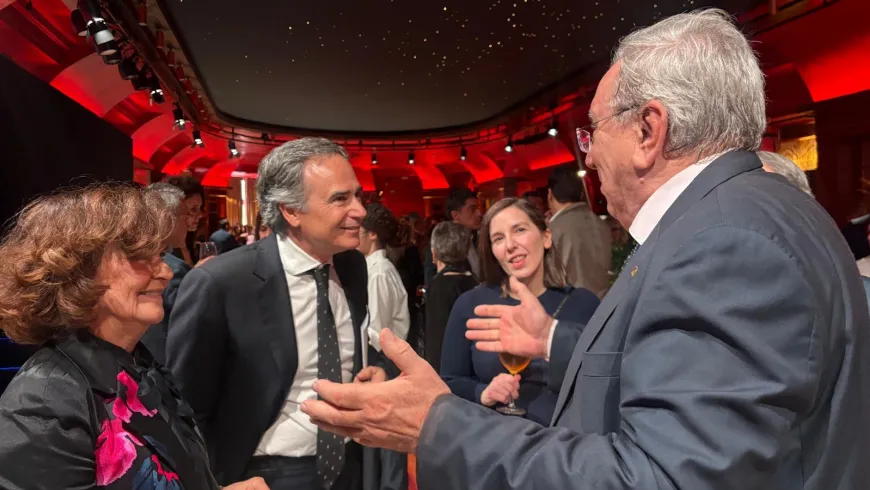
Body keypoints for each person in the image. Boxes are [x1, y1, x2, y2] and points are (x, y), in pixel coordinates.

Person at [300, 9, 870, 490]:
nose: (589, 158)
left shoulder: (725, 242)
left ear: (649, 130)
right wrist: (550, 339)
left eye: (592, 132)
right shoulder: (755, 213)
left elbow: (661, 477)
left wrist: (438, 424)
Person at [0, 184, 267, 490]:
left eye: (159, 254)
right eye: (139, 255)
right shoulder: (44, 403)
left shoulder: (139, 366)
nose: (165, 272)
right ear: (75, 271)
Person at [167, 138, 387, 490]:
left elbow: (348, 346)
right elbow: (185, 406)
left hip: (349, 464)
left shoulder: (352, 266)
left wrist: (372, 371)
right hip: (263, 476)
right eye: (340, 199)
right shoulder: (221, 283)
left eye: (357, 196)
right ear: (291, 211)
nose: (360, 210)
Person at [440, 198, 599, 425]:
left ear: (546, 237)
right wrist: (483, 393)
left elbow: (605, 380)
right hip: (495, 446)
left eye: (520, 230)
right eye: (498, 238)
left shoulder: (583, 304)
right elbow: (449, 381)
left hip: (564, 447)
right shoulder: (471, 306)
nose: (510, 244)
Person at [546, 166, 613, 297]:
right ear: (582, 194)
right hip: (605, 303)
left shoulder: (551, 231)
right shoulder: (600, 224)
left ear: (549, 194)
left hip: (571, 307)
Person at [357, 203, 410, 358]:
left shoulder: (379, 273)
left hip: (383, 359)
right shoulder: (376, 269)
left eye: (358, 231)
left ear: (372, 234)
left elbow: (376, 330)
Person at [423, 221, 476, 372]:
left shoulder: (440, 287)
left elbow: (436, 340)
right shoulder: (475, 282)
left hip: (447, 373)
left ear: (434, 253)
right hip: (472, 368)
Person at [423, 187, 482, 287]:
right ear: (455, 216)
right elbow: (433, 284)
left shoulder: (481, 239)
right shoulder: (440, 245)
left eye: (478, 208)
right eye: (472, 209)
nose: (479, 213)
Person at [164, 175, 205, 264]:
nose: (200, 215)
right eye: (194, 209)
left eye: (200, 208)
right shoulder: (163, 251)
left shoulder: (194, 246)